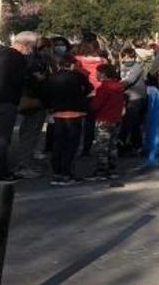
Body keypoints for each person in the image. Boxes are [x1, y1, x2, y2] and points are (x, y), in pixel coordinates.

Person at [0, 31, 38, 189]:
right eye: (32, 46)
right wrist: (34, 77)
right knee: (1, 141)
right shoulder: (17, 58)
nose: (32, 50)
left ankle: (2, 171)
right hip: (5, 102)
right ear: (26, 44)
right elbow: (19, 80)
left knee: (0, 138)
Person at [43, 54, 92, 186]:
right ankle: (67, 172)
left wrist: (50, 106)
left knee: (58, 143)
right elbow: (89, 88)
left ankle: (57, 172)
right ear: (72, 64)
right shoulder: (78, 76)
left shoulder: (52, 77)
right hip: (75, 112)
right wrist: (80, 96)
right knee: (72, 144)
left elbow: (45, 94)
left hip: (58, 113)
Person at [14, 36, 55, 178]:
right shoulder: (36, 61)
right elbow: (33, 80)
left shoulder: (35, 59)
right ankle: (23, 166)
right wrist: (39, 78)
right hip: (35, 101)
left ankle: (26, 163)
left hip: (33, 100)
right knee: (30, 133)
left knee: (30, 133)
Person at [86, 64, 124, 181]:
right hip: (116, 119)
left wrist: (89, 102)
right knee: (112, 146)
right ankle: (112, 169)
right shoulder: (119, 86)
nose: (96, 75)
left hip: (104, 119)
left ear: (103, 74)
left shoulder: (104, 88)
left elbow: (95, 105)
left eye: (97, 73)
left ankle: (101, 171)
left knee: (102, 147)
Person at [72, 42, 105, 157]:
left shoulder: (77, 60)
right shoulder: (102, 61)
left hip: (82, 93)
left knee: (77, 121)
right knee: (91, 122)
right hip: (98, 92)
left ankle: (75, 146)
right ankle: (87, 147)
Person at [118, 47, 147, 155]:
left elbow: (129, 80)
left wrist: (115, 87)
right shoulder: (123, 66)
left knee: (133, 122)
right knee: (129, 122)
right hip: (127, 97)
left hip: (136, 97)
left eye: (129, 57)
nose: (126, 59)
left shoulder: (136, 67)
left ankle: (137, 145)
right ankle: (130, 144)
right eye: (125, 57)